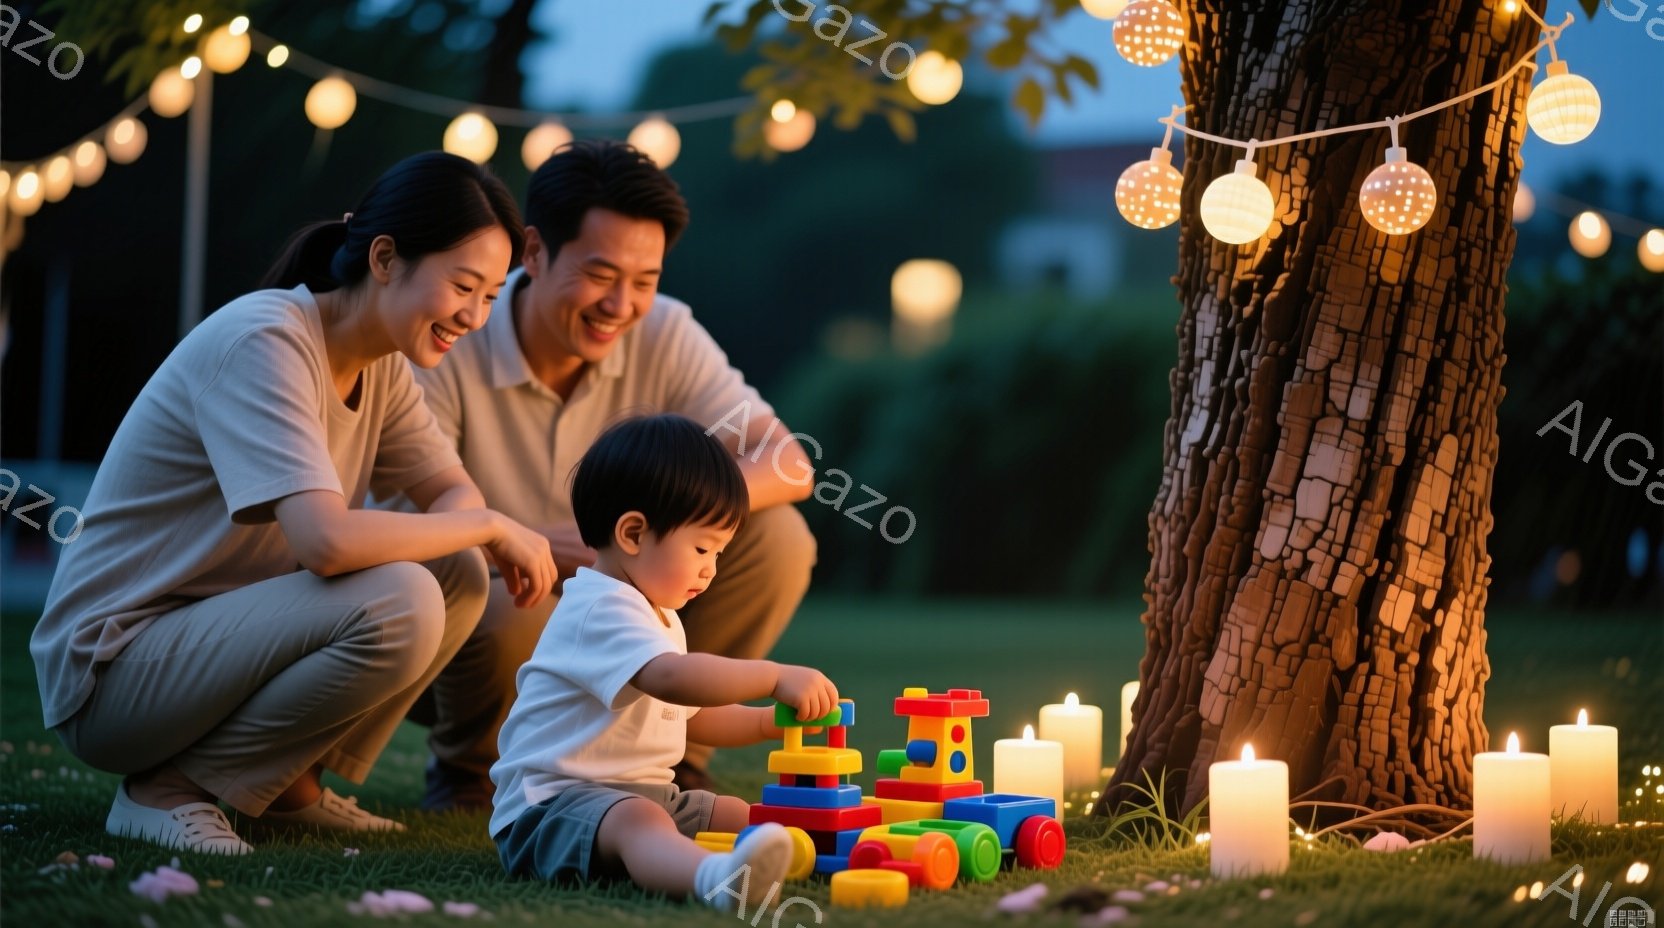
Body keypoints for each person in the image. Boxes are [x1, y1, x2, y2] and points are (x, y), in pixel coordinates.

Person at [29, 152, 558, 855]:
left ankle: (287, 787)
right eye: (463, 285)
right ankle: (165, 792)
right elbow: (326, 542)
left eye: (491, 295)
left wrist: (471, 524)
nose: (474, 314)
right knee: (405, 594)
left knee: (455, 573)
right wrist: (492, 523)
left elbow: (448, 489)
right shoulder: (267, 340)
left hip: (207, 648)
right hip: (114, 672)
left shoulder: (383, 368)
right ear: (385, 258)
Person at [394, 139, 818, 809]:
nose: (621, 303)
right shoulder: (452, 335)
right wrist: (529, 541)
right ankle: (470, 770)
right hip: (480, 600)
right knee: (500, 590)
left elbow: (789, 462)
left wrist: (678, 510)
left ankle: (679, 755)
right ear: (532, 252)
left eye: (644, 281)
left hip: (633, 588)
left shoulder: (668, 334)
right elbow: (407, 517)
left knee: (780, 537)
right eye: (599, 273)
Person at [490, 414, 839, 911]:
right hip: (550, 808)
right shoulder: (600, 607)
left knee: (736, 812)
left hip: (645, 797)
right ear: (632, 534)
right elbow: (673, 680)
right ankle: (714, 879)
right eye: (701, 547)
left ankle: (812, 852)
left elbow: (693, 717)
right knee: (639, 822)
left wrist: (765, 722)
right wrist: (773, 676)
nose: (710, 569)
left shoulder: (658, 614)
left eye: (719, 552)